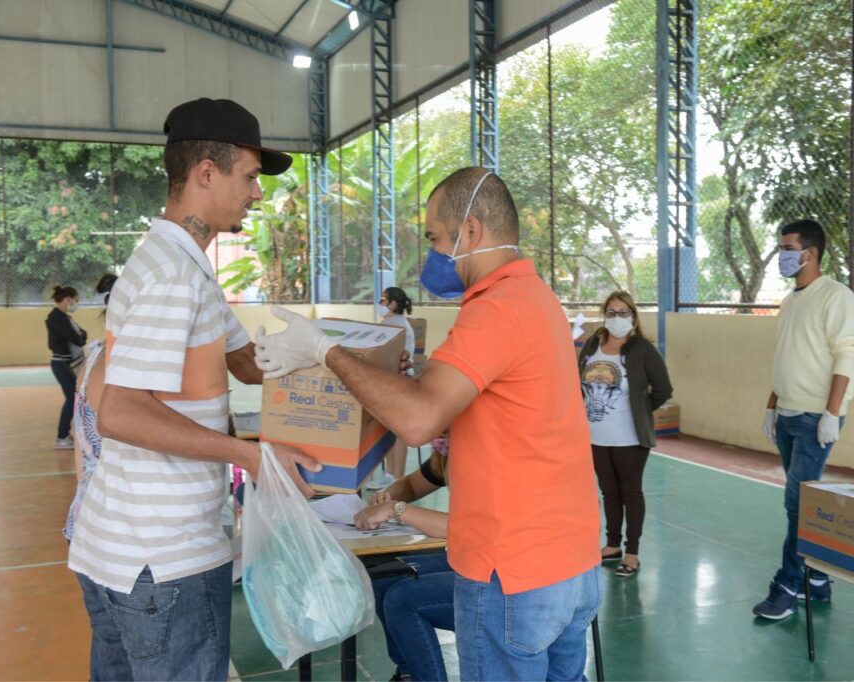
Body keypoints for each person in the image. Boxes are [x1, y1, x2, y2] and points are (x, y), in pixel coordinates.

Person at [255, 167, 602, 681]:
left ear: (471, 232)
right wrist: (415, 376)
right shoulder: (537, 299)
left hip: (513, 572)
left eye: (437, 238)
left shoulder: (494, 309)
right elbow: (486, 394)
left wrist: (324, 350)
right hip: (572, 563)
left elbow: (417, 422)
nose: (434, 253)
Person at [67, 98, 321, 681]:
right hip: (163, 562)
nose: (258, 193)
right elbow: (122, 415)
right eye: (250, 176)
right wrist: (252, 456)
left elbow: (248, 363)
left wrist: (332, 356)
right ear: (207, 172)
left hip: (125, 556)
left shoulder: (184, 267)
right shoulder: (172, 278)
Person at [753, 218, 854, 621]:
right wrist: (771, 405)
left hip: (816, 419)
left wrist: (831, 414)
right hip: (787, 414)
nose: (781, 256)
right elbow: (786, 358)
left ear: (810, 253)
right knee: (800, 505)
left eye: (787, 248)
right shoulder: (791, 301)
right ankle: (816, 580)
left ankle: (787, 584)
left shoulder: (836, 297)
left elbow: (846, 354)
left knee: (797, 502)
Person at [578, 290, 672, 578]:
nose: (617, 318)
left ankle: (632, 553)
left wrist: (641, 410)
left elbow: (663, 389)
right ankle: (612, 545)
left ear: (633, 316)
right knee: (609, 492)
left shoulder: (642, 348)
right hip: (595, 434)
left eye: (623, 312)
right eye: (612, 312)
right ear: (604, 314)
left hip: (629, 437)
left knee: (630, 492)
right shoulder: (593, 343)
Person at [354, 435, 453, 682]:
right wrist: (388, 496)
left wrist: (397, 510)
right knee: (387, 572)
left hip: (505, 576)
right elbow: (411, 485)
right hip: (475, 556)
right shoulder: (447, 453)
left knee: (403, 600)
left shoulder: (480, 453)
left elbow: (464, 527)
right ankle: (409, 672)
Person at [63, 274, 118, 541]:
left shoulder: (95, 356)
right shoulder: (118, 364)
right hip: (113, 525)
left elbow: (81, 452)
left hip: (88, 513)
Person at [370, 286, 417, 488]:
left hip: (399, 382)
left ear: (393, 304)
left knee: (397, 431)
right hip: (389, 382)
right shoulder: (389, 323)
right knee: (387, 430)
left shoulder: (397, 325)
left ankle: (397, 477)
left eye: (383, 300)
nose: (380, 303)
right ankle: (389, 475)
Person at [46, 284, 87, 450]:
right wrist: (81, 336)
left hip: (66, 362)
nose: (75, 304)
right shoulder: (57, 318)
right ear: (67, 299)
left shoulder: (64, 317)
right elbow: (78, 338)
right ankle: (62, 437)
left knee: (74, 397)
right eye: (75, 300)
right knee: (72, 398)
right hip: (62, 363)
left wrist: (81, 336)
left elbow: (82, 334)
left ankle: (65, 434)